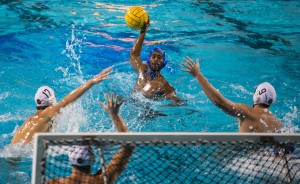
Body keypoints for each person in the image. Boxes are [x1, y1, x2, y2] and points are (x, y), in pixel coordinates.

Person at [47, 93, 135, 184]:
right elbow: (129, 145)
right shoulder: (102, 180)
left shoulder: (55, 183)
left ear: (70, 157)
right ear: (93, 158)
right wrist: (114, 115)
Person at [11, 67, 112, 144]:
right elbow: (67, 100)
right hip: (20, 154)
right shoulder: (48, 112)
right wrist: (92, 82)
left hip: (10, 150)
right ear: (51, 100)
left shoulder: (29, 119)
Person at [181, 56, 283, 133]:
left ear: (256, 96)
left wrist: (198, 76)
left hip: (249, 159)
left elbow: (220, 102)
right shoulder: (277, 122)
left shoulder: (248, 113)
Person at [130, 18, 184, 106]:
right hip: (131, 105)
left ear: (164, 63)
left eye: (159, 57)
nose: (155, 59)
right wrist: (143, 31)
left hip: (146, 114)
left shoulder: (165, 85)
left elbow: (180, 102)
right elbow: (134, 54)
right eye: (153, 56)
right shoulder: (141, 69)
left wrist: (159, 109)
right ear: (148, 59)